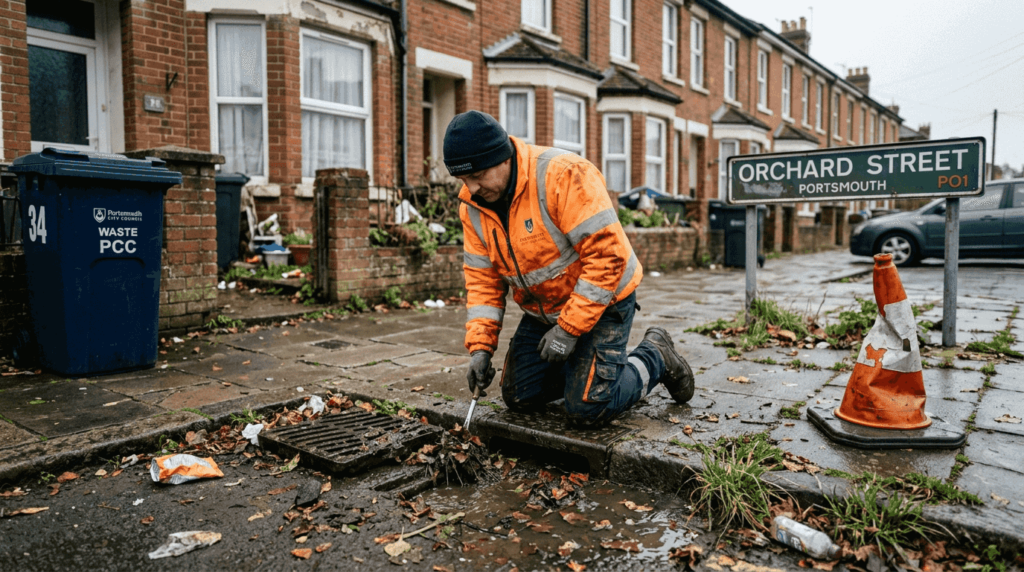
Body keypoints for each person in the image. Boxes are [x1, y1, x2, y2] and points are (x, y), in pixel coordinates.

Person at [443, 110, 694, 426]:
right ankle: (584, 367)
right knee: (519, 396)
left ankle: (654, 356)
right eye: (463, 180)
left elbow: (607, 258)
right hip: (545, 311)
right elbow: (483, 284)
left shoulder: (564, 175)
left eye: (477, 177)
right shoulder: (474, 207)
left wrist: (568, 330)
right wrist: (480, 349)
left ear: (501, 158)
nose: (471, 189)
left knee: (589, 408)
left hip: (605, 301)